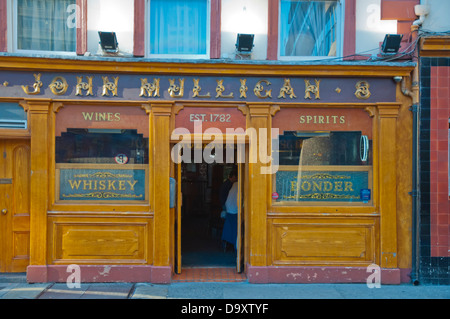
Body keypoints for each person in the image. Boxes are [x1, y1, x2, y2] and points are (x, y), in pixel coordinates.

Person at [221, 180, 238, 250]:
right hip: (234, 211)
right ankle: (236, 244)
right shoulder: (238, 185)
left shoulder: (234, 185)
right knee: (235, 228)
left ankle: (227, 241)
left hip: (228, 209)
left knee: (228, 226)